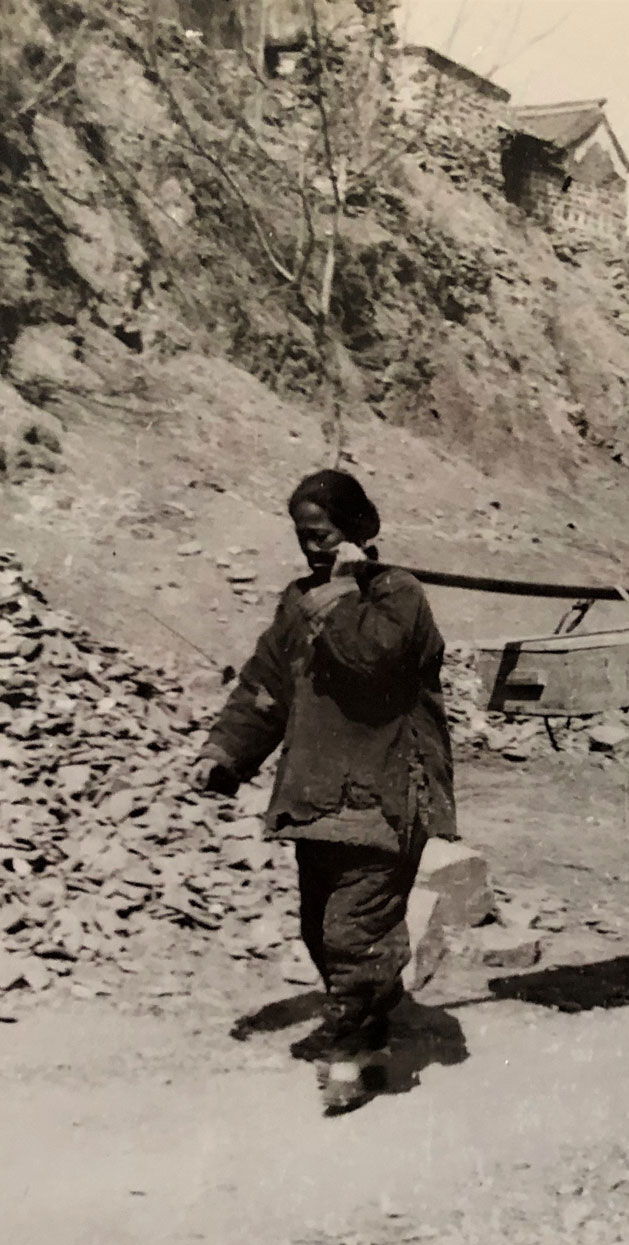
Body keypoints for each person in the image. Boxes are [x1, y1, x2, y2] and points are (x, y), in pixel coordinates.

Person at [192, 469, 455, 1114]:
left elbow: (374, 659)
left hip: (388, 789)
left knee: (350, 930)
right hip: (317, 793)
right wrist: (229, 753)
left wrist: (339, 594)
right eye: (304, 538)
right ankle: (376, 1001)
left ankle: (357, 1054)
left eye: (325, 535)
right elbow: (267, 684)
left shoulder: (399, 594)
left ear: (361, 531)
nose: (313, 549)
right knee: (320, 929)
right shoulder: (302, 598)